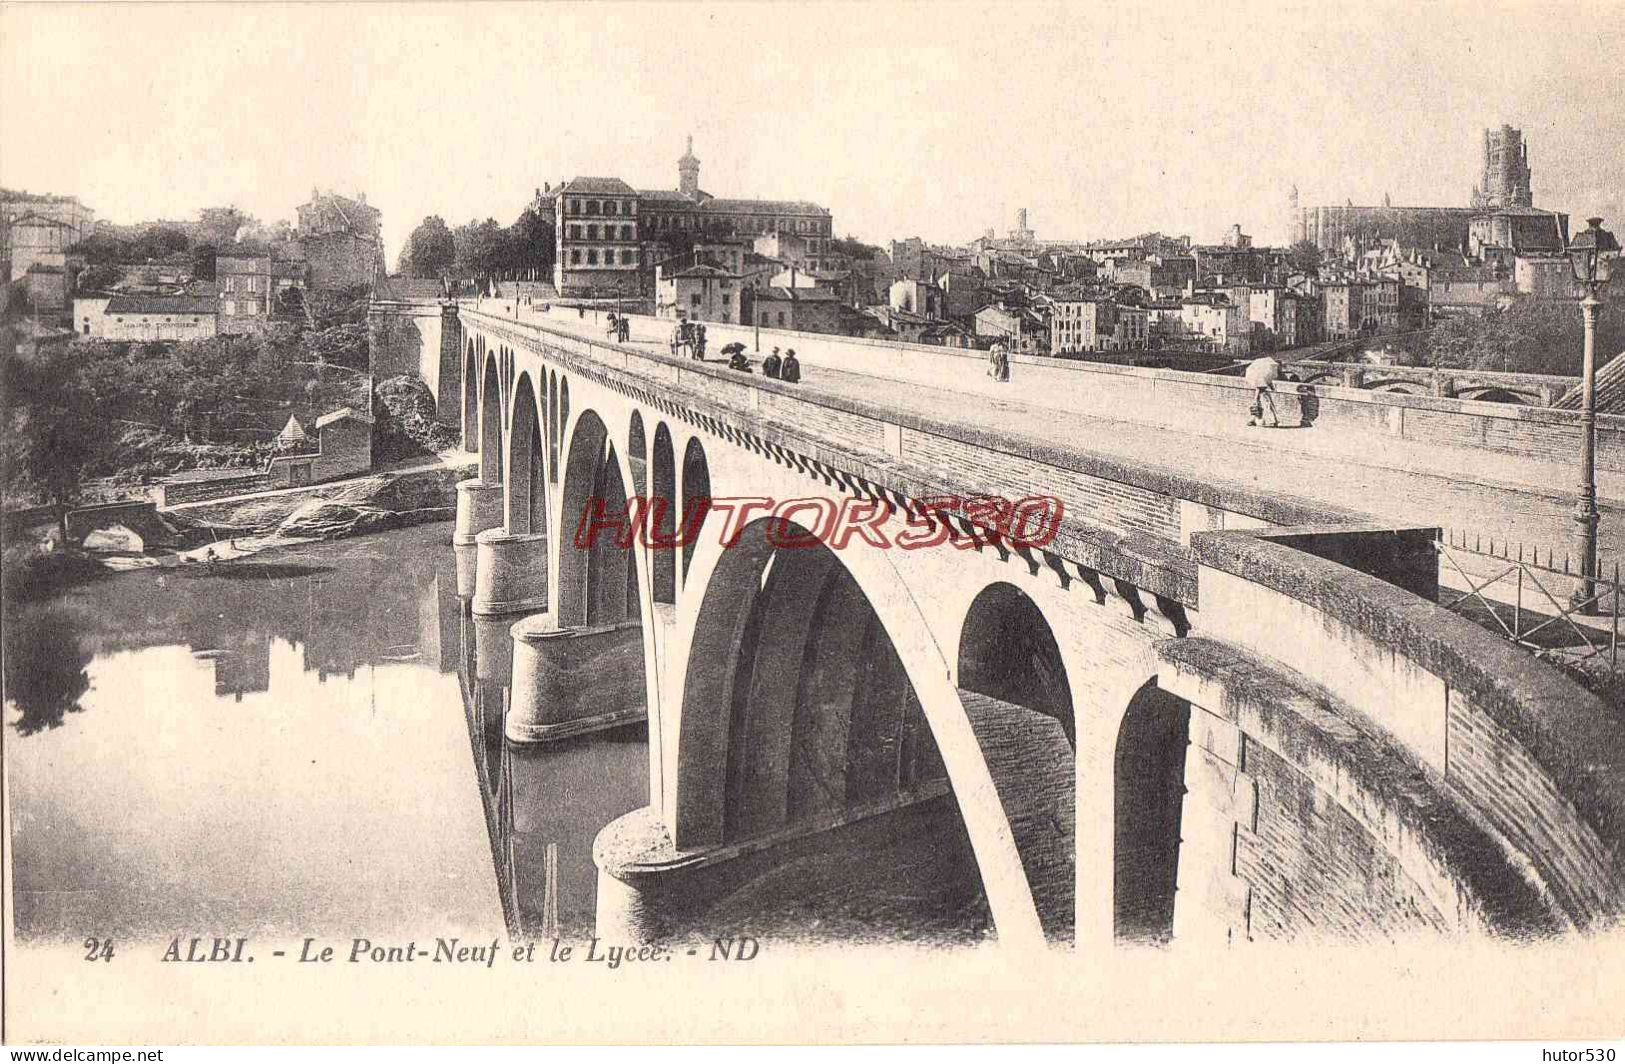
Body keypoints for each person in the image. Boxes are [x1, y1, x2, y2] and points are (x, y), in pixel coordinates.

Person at [1245, 354, 1282, 427]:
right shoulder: (1265, 375)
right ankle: (1273, 420)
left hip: (1261, 394)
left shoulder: (1259, 376)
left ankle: (1254, 420)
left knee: (1257, 408)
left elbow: (1259, 388)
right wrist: (1272, 388)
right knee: (1267, 407)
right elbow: (1266, 384)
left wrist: (1255, 398)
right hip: (1263, 394)